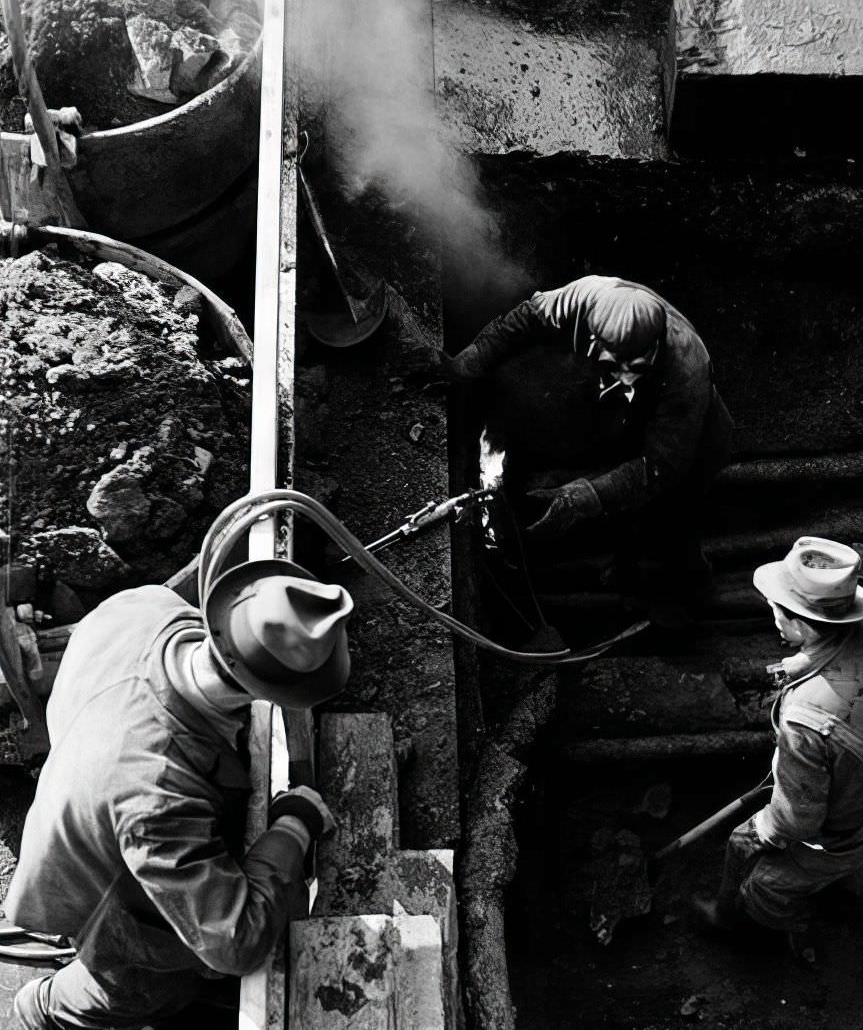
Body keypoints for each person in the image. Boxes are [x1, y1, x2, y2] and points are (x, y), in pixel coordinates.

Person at [6, 558, 355, 1029]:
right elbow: (237, 942)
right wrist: (294, 824)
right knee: (142, 988)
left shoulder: (149, 606)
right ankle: (41, 1009)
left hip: (82, 785)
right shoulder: (157, 796)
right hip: (93, 884)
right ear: (276, 692)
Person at [412, 274, 733, 598]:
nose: (619, 375)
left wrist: (581, 498)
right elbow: (523, 320)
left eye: (630, 368)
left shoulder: (687, 371)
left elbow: (659, 468)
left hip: (692, 444)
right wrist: (468, 362)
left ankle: (688, 590)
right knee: (616, 488)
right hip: (626, 421)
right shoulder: (587, 298)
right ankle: (625, 569)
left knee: (672, 520)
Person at [694, 537, 863, 961]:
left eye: (777, 607)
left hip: (854, 824)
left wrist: (760, 829)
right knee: (842, 868)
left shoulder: (807, 715)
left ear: (799, 620)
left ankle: (764, 933)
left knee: (764, 879)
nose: (772, 614)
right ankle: (847, 896)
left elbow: (799, 821)